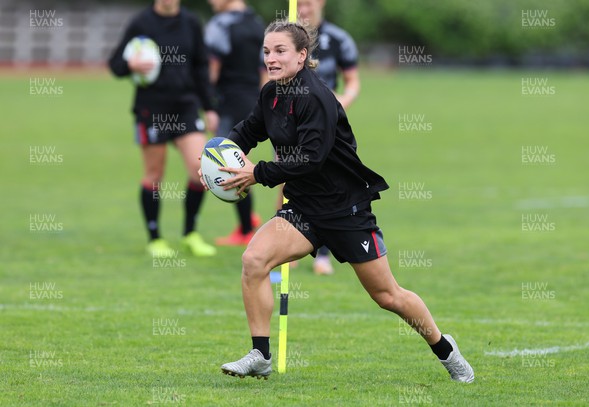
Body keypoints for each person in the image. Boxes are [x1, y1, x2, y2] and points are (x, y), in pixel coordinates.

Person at [198, 21, 475, 383]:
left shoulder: (316, 98)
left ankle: (446, 350)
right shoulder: (271, 95)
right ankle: (260, 355)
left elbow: (310, 158)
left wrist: (258, 173)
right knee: (253, 260)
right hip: (303, 208)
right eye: (267, 52)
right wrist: (218, 162)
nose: (271, 58)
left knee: (388, 296)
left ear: (302, 55)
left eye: (280, 51)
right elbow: (247, 131)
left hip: (347, 209)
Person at [108, 0, 218, 258]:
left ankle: (190, 233)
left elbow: (201, 66)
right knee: (154, 174)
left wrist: (209, 107)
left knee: (200, 170)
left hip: (186, 106)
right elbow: (115, 64)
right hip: (151, 108)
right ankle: (155, 238)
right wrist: (130, 66)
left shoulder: (191, 22)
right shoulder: (141, 23)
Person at [289, 0, 362, 275]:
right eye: (300, 4)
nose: (304, 9)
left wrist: (342, 100)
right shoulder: (284, 39)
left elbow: (352, 80)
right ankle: (289, 244)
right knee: (288, 179)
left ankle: (323, 254)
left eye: (308, 4)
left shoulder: (339, 39)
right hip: (293, 121)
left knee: (330, 183)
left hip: (327, 125)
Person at [205, 0, 267, 245]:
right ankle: (246, 224)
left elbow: (211, 72)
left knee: (224, 165)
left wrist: (208, 106)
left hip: (227, 104)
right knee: (238, 162)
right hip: (253, 101)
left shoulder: (219, 24)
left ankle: (245, 228)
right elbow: (265, 69)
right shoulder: (258, 22)